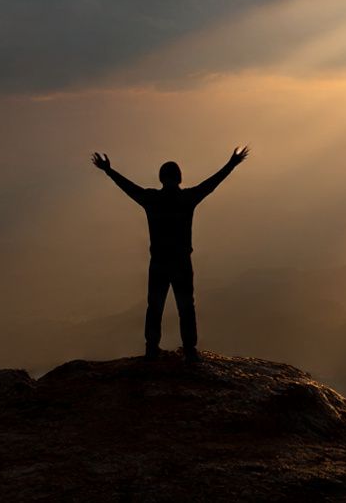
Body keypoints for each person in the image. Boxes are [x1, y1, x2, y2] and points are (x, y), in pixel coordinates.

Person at [90, 146, 249, 362]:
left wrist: (109, 171)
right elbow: (212, 184)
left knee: (155, 306)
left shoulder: (152, 199)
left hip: (159, 263)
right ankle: (190, 349)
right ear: (180, 178)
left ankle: (152, 348)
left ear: (161, 178)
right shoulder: (187, 198)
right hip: (182, 262)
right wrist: (231, 164)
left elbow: (128, 187)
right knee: (185, 306)